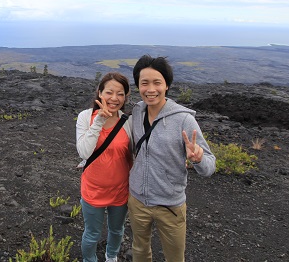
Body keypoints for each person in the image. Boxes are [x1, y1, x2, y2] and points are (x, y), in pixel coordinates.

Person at [128, 55, 216, 262]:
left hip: (170, 205)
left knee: (175, 257)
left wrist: (198, 159)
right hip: (138, 200)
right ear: (138, 86)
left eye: (157, 83)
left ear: (167, 85)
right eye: (144, 83)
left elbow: (209, 166)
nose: (151, 89)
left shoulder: (184, 119)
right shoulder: (137, 111)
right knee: (139, 250)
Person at [76, 72, 133, 262]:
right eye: (109, 92)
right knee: (91, 234)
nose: (114, 99)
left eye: (120, 94)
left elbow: (133, 155)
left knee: (117, 230)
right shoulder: (85, 117)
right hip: (93, 190)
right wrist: (99, 120)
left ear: (125, 97)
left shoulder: (127, 121)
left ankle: (111, 257)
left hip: (120, 190)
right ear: (100, 93)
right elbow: (84, 152)